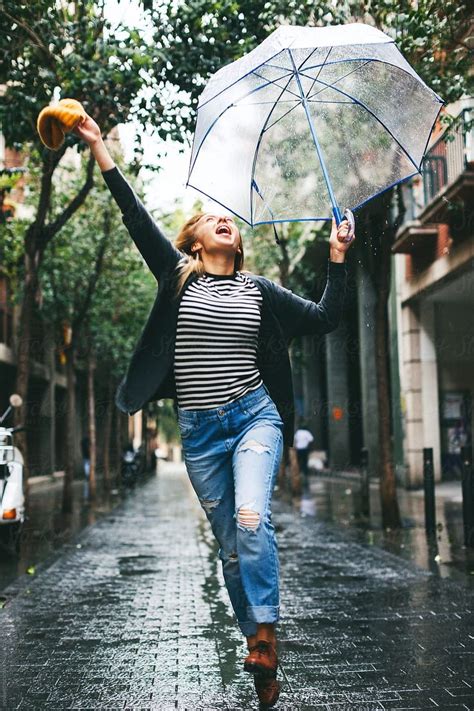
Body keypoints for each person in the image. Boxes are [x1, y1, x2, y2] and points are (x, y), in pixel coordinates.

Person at [73, 113, 355, 707]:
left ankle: (266, 637)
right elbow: (133, 216)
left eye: (227, 218)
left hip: (254, 417)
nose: (222, 218)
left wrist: (338, 255)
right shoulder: (177, 277)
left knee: (252, 521)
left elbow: (326, 316)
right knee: (231, 548)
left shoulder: (260, 290)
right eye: (208, 217)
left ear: (237, 240)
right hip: (200, 437)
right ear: (194, 240)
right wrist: (99, 147)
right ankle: (256, 645)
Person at [293, 420, 314, 489]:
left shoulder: (298, 432)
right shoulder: (307, 432)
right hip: (305, 449)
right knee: (305, 462)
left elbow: (295, 440)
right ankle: (305, 473)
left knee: (298, 461)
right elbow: (311, 439)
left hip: (298, 449)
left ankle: (299, 472)